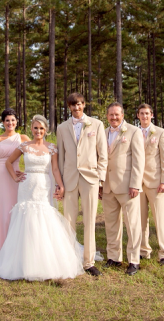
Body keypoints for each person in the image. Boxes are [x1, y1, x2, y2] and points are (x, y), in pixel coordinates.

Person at [0, 115, 84, 281]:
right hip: (26, 186)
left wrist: (61, 185)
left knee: (44, 218)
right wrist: (15, 178)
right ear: (31, 129)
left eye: (41, 129)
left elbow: (56, 169)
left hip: (43, 185)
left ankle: (44, 259)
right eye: (36, 128)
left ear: (46, 130)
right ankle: (23, 260)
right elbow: (8, 162)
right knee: (26, 218)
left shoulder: (51, 147)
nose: (38, 131)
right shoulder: (24, 146)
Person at [56, 92, 108, 277]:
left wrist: (100, 178)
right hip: (69, 179)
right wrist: (59, 182)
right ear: (69, 107)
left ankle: (88, 262)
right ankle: (69, 260)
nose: (76, 108)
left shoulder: (97, 124)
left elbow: (103, 154)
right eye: (72, 105)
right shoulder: (62, 128)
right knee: (68, 221)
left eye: (79, 104)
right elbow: (61, 156)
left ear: (84, 105)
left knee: (89, 221)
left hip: (90, 179)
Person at [101, 102, 144, 276]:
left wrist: (135, 183)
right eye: (111, 115)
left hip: (127, 186)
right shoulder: (102, 133)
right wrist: (100, 183)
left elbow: (138, 160)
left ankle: (134, 260)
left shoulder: (134, 131)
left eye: (117, 114)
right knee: (111, 224)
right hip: (108, 186)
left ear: (123, 115)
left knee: (132, 224)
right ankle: (114, 257)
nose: (114, 117)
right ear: (106, 116)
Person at [0, 109, 30, 252]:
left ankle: (16, 248)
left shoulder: (23, 138)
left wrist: (28, 172)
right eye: (7, 120)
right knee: (1, 212)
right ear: (3, 122)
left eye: (12, 120)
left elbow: (34, 156)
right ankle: (2, 248)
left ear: (17, 121)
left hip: (15, 178)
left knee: (15, 210)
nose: (10, 123)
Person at [136, 103, 164, 266]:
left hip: (156, 181)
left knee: (160, 218)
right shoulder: (134, 132)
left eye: (147, 114)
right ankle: (144, 250)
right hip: (137, 182)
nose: (144, 116)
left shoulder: (161, 133)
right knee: (141, 219)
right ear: (138, 116)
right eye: (141, 114)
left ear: (152, 115)